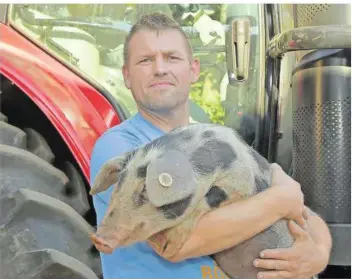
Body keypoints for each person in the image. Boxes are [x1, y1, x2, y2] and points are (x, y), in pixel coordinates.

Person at [90, 12, 332, 279]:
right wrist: (281, 199)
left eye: (172, 57)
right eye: (145, 60)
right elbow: (179, 242)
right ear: (126, 75)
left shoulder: (215, 141)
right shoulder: (122, 148)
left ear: (193, 70)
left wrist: (317, 255)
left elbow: (306, 214)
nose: (160, 68)